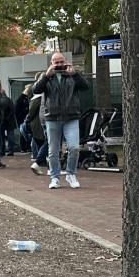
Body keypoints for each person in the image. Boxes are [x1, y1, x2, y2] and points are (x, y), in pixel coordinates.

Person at [32, 51, 90, 189]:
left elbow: (86, 87)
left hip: (71, 117)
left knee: (74, 147)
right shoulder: (46, 76)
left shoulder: (72, 75)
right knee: (53, 150)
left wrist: (75, 74)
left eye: (61, 62)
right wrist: (46, 76)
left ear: (66, 62)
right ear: (51, 64)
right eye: (56, 62)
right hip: (52, 117)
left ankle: (71, 173)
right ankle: (55, 177)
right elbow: (35, 90)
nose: (59, 65)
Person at [26, 91, 48, 173]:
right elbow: (32, 112)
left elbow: (31, 112)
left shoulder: (36, 98)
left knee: (41, 142)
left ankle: (41, 161)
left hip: (37, 123)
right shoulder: (38, 99)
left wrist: (27, 120)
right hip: (39, 123)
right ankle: (39, 161)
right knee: (48, 142)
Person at [14, 86, 31, 153]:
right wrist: (26, 110)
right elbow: (17, 109)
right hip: (22, 118)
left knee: (24, 132)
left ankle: (25, 147)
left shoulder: (24, 98)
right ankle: (23, 147)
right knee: (23, 133)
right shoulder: (22, 98)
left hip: (22, 118)